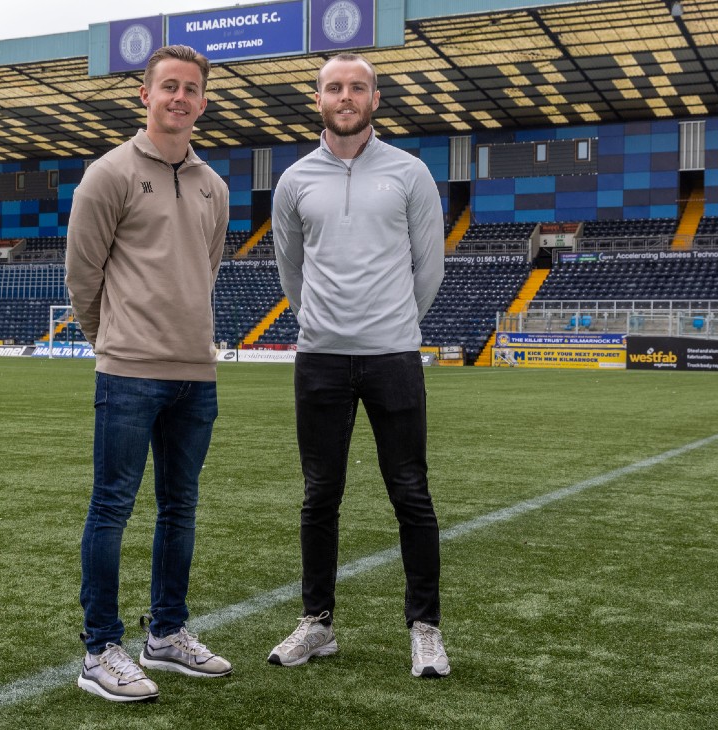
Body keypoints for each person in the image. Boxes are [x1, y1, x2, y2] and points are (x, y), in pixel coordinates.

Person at [268, 53, 449, 678]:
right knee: (320, 496)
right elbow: (290, 270)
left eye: (357, 88)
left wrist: (391, 325)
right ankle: (317, 624)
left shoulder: (411, 173)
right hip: (319, 357)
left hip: (394, 356)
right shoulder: (294, 180)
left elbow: (429, 268)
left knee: (411, 493)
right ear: (317, 99)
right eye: (334, 87)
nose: (345, 96)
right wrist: (322, 322)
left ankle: (425, 629)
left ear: (375, 98)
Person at [65, 44, 231, 703]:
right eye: (168, 86)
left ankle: (166, 635)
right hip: (129, 371)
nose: (179, 97)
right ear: (145, 94)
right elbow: (83, 276)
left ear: (203, 101)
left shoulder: (214, 187)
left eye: (191, 89)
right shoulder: (107, 175)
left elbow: (207, 268)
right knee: (112, 506)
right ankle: (100, 648)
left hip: (197, 373)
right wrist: (111, 341)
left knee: (180, 507)